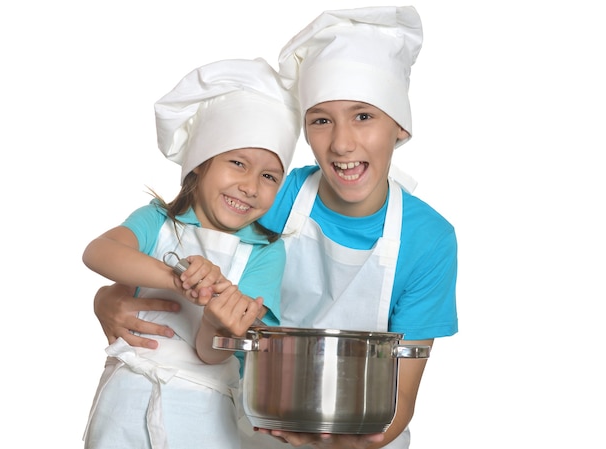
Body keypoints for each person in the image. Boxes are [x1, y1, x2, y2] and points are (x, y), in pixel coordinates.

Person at [92, 6, 458, 449]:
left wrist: (333, 444)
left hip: (360, 437)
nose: (342, 143)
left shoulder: (428, 239)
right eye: (321, 120)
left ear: (399, 126)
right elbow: (182, 239)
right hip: (250, 426)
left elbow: (398, 404)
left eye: (364, 116)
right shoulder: (272, 196)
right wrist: (108, 296)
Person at [81, 57, 301, 449]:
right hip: (124, 404)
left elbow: (211, 354)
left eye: (269, 176)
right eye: (237, 163)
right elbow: (98, 252)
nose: (250, 186)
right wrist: (178, 279)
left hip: (203, 419)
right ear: (199, 164)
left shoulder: (265, 251)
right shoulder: (157, 222)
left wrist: (215, 322)